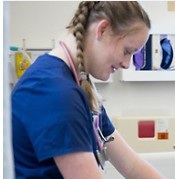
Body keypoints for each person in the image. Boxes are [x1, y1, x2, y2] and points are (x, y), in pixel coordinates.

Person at [12, 2, 164, 178]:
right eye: (127, 51)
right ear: (103, 29)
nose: (127, 64)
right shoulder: (55, 92)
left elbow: (131, 166)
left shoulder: (79, 86)